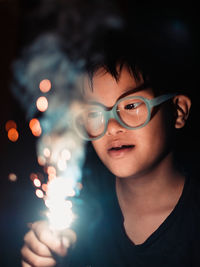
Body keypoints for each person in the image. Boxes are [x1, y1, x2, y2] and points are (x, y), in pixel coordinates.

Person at [21, 14, 199, 267]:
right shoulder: (80, 214)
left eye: (131, 105)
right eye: (94, 114)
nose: (112, 126)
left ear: (178, 111)